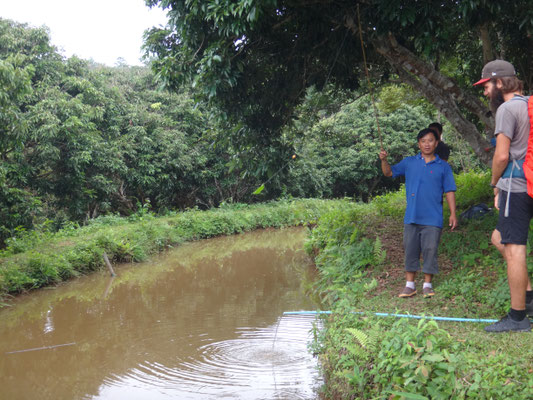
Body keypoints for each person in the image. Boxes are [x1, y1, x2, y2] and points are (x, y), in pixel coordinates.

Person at [474, 59, 533, 332]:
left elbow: (501, 155)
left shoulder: (507, 109)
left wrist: (494, 182)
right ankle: (529, 296)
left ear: (499, 83)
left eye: (486, 86)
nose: (485, 92)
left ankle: (518, 317)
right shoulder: (528, 104)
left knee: (514, 247)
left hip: (516, 185)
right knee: (499, 238)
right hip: (527, 182)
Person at [379, 128, 457, 298]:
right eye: (423, 141)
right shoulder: (409, 162)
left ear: (436, 143)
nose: (427, 144)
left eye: (430, 140)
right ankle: (410, 285)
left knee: (430, 249)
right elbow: (388, 172)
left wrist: (453, 213)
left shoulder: (443, 166)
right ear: (418, 144)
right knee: (410, 249)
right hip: (412, 216)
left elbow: (450, 190)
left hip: (433, 217)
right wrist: (384, 160)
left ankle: (427, 285)